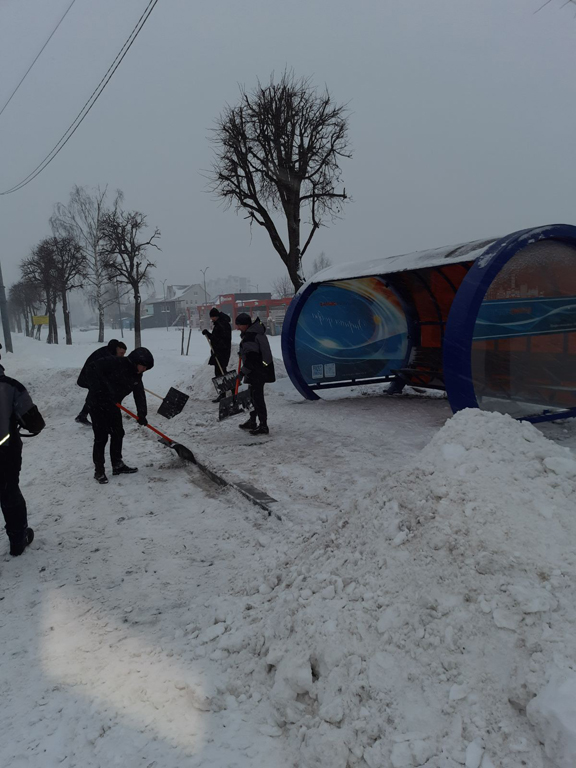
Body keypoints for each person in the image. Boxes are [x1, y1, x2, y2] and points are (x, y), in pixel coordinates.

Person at [0, 342, 45, 556]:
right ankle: (18, 540)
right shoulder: (11, 387)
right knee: (9, 492)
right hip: (4, 452)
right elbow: (34, 423)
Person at [85, 346, 154, 484]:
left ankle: (117, 464)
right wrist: (100, 390)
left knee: (118, 433)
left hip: (113, 405)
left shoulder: (136, 374)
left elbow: (139, 394)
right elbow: (91, 369)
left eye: (146, 368)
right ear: (136, 361)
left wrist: (142, 414)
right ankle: (99, 471)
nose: (144, 369)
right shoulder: (115, 362)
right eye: (143, 366)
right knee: (101, 437)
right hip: (97, 403)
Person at [235, 312, 275, 436]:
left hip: (257, 372)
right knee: (252, 397)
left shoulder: (250, 336)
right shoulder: (254, 333)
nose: (237, 328)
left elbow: (252, 360)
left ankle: (263, 425)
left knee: (257, 399)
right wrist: (243, 353)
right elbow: (254, 353)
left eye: (239, 325)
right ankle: (252, 421)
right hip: (260, 370)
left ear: (246, 325)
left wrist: (242, 373)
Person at [75, 339, 127, 424]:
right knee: (95, 393)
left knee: (94, 394)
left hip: (93, 377)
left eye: (124, 354)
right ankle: (84, 415)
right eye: (121, 353)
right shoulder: (106, 355)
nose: (122, 356)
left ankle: (83, 415)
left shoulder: (109, 351)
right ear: (117, 349)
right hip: (89, 376)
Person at [202, 308, 232, 402]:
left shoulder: (221, 324)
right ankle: (227, 392)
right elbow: (216, 338)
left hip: (222, 352)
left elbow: (219, 339)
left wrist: (208, 334)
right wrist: (209, 334)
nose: (211, 319)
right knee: (221, 372)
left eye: (212, 317)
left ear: (215, 316)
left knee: (220, 373)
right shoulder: (221, 323)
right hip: (221, 352)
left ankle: (228, 392)